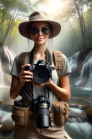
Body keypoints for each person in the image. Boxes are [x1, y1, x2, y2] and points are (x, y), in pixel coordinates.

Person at [10, 11, 72, 139]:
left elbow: (66, 96)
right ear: (29, 32)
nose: (40, 34)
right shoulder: (20, 60)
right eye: (34, 30)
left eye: (44, 29)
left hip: (54, 122)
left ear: (50, 32)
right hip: (26, 125)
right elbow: (13, 95)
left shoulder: (60, 59)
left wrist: (49, 83)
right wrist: (21, 82)